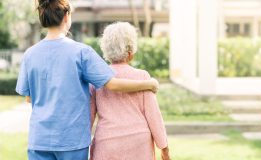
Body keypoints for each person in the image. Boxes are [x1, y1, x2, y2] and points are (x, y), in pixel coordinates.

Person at [15, 0, 158, 160]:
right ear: (66, 16)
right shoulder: (81, 52)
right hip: (72, 141)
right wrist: (148, 84)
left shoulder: (30, 54)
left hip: (39, 140)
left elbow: (29, 97)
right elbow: (113, 84)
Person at [90, 22, 170, 160]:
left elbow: (88, 118)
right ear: (130, 52)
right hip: (139, 143)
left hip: (107, 142)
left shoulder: (97, 79)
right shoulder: (143, 77)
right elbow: (154, 117)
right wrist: (164, 148)